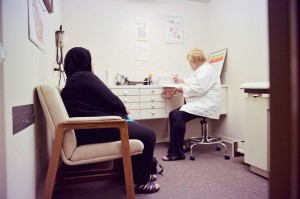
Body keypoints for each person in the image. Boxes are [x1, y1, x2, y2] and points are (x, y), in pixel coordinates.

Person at [61, 47, 160, 193]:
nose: (92, 64)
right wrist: (123, 110)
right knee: (148, 134)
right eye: (91, 60)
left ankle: (139, 171)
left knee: (137, 129)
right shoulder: (85, 76)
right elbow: (112, 100)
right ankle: (141, 182)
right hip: (95, 130)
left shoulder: (73, 80)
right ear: (84, 61)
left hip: (83, 131)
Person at [162, 47, 221, 161]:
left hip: (206, 105)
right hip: (200, 102)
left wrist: (181, 88)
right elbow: (195, 82)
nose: (189, 65)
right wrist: (182, 80)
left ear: (197, 60)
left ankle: (176, 153)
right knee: (172, 114)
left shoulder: (206, 70)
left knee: (177, 116)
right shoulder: (202, 70)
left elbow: (198, 89)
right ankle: (178, 147)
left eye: (190, 62)